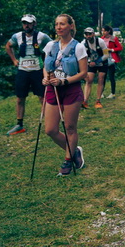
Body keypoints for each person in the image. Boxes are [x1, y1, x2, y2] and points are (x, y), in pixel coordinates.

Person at [42, 14, 88, 176]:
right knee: (50, 130)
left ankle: (68, 160)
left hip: (71, 88)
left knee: (70, 127)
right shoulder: (50, 45)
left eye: (62, 24)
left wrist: (64, 81)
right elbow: (46, 66)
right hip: (53, 89)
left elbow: (83, 73)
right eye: (56, 24)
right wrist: (45, 77)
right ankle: (74, 151)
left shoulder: (78, 47)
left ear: (71, 26)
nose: (58, 27)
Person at [4, 14, 52, 135]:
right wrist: (14, 60)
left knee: (42, 97)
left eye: (29, 23)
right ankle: (19, 124)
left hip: (37, 70)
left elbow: (53, 47)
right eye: (24, 23)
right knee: (20, 98)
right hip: (23, 71)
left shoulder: (42, 36)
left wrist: (48, 62)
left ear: (34, 24)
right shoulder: (17, 36)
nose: (26, 25)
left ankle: (49, 123)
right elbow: (8, 46)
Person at [81, 27, 109, 109]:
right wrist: (88, 63)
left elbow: (106, 54)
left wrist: (96, 62)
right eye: (86, 34)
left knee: (101, 79)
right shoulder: (83, 43)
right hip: (91, 62)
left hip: (102, 61)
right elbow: (82, 56)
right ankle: (85, 100)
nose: (88, 36)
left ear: (93, 34)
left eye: (90, 34)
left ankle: (98, 100)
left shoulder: (100, 41)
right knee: (89, 80)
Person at [101, 25, 123, 99]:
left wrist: (111, 49)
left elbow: (120, 47)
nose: (103, 32)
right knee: (103, 76)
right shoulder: (101, 39)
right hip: (104, 58)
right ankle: (101, 92)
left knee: (111, 76)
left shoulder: (114, 38)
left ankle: (112, 93)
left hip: (112, 59)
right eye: (102, 31)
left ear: (108, 31)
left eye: (104, 30)